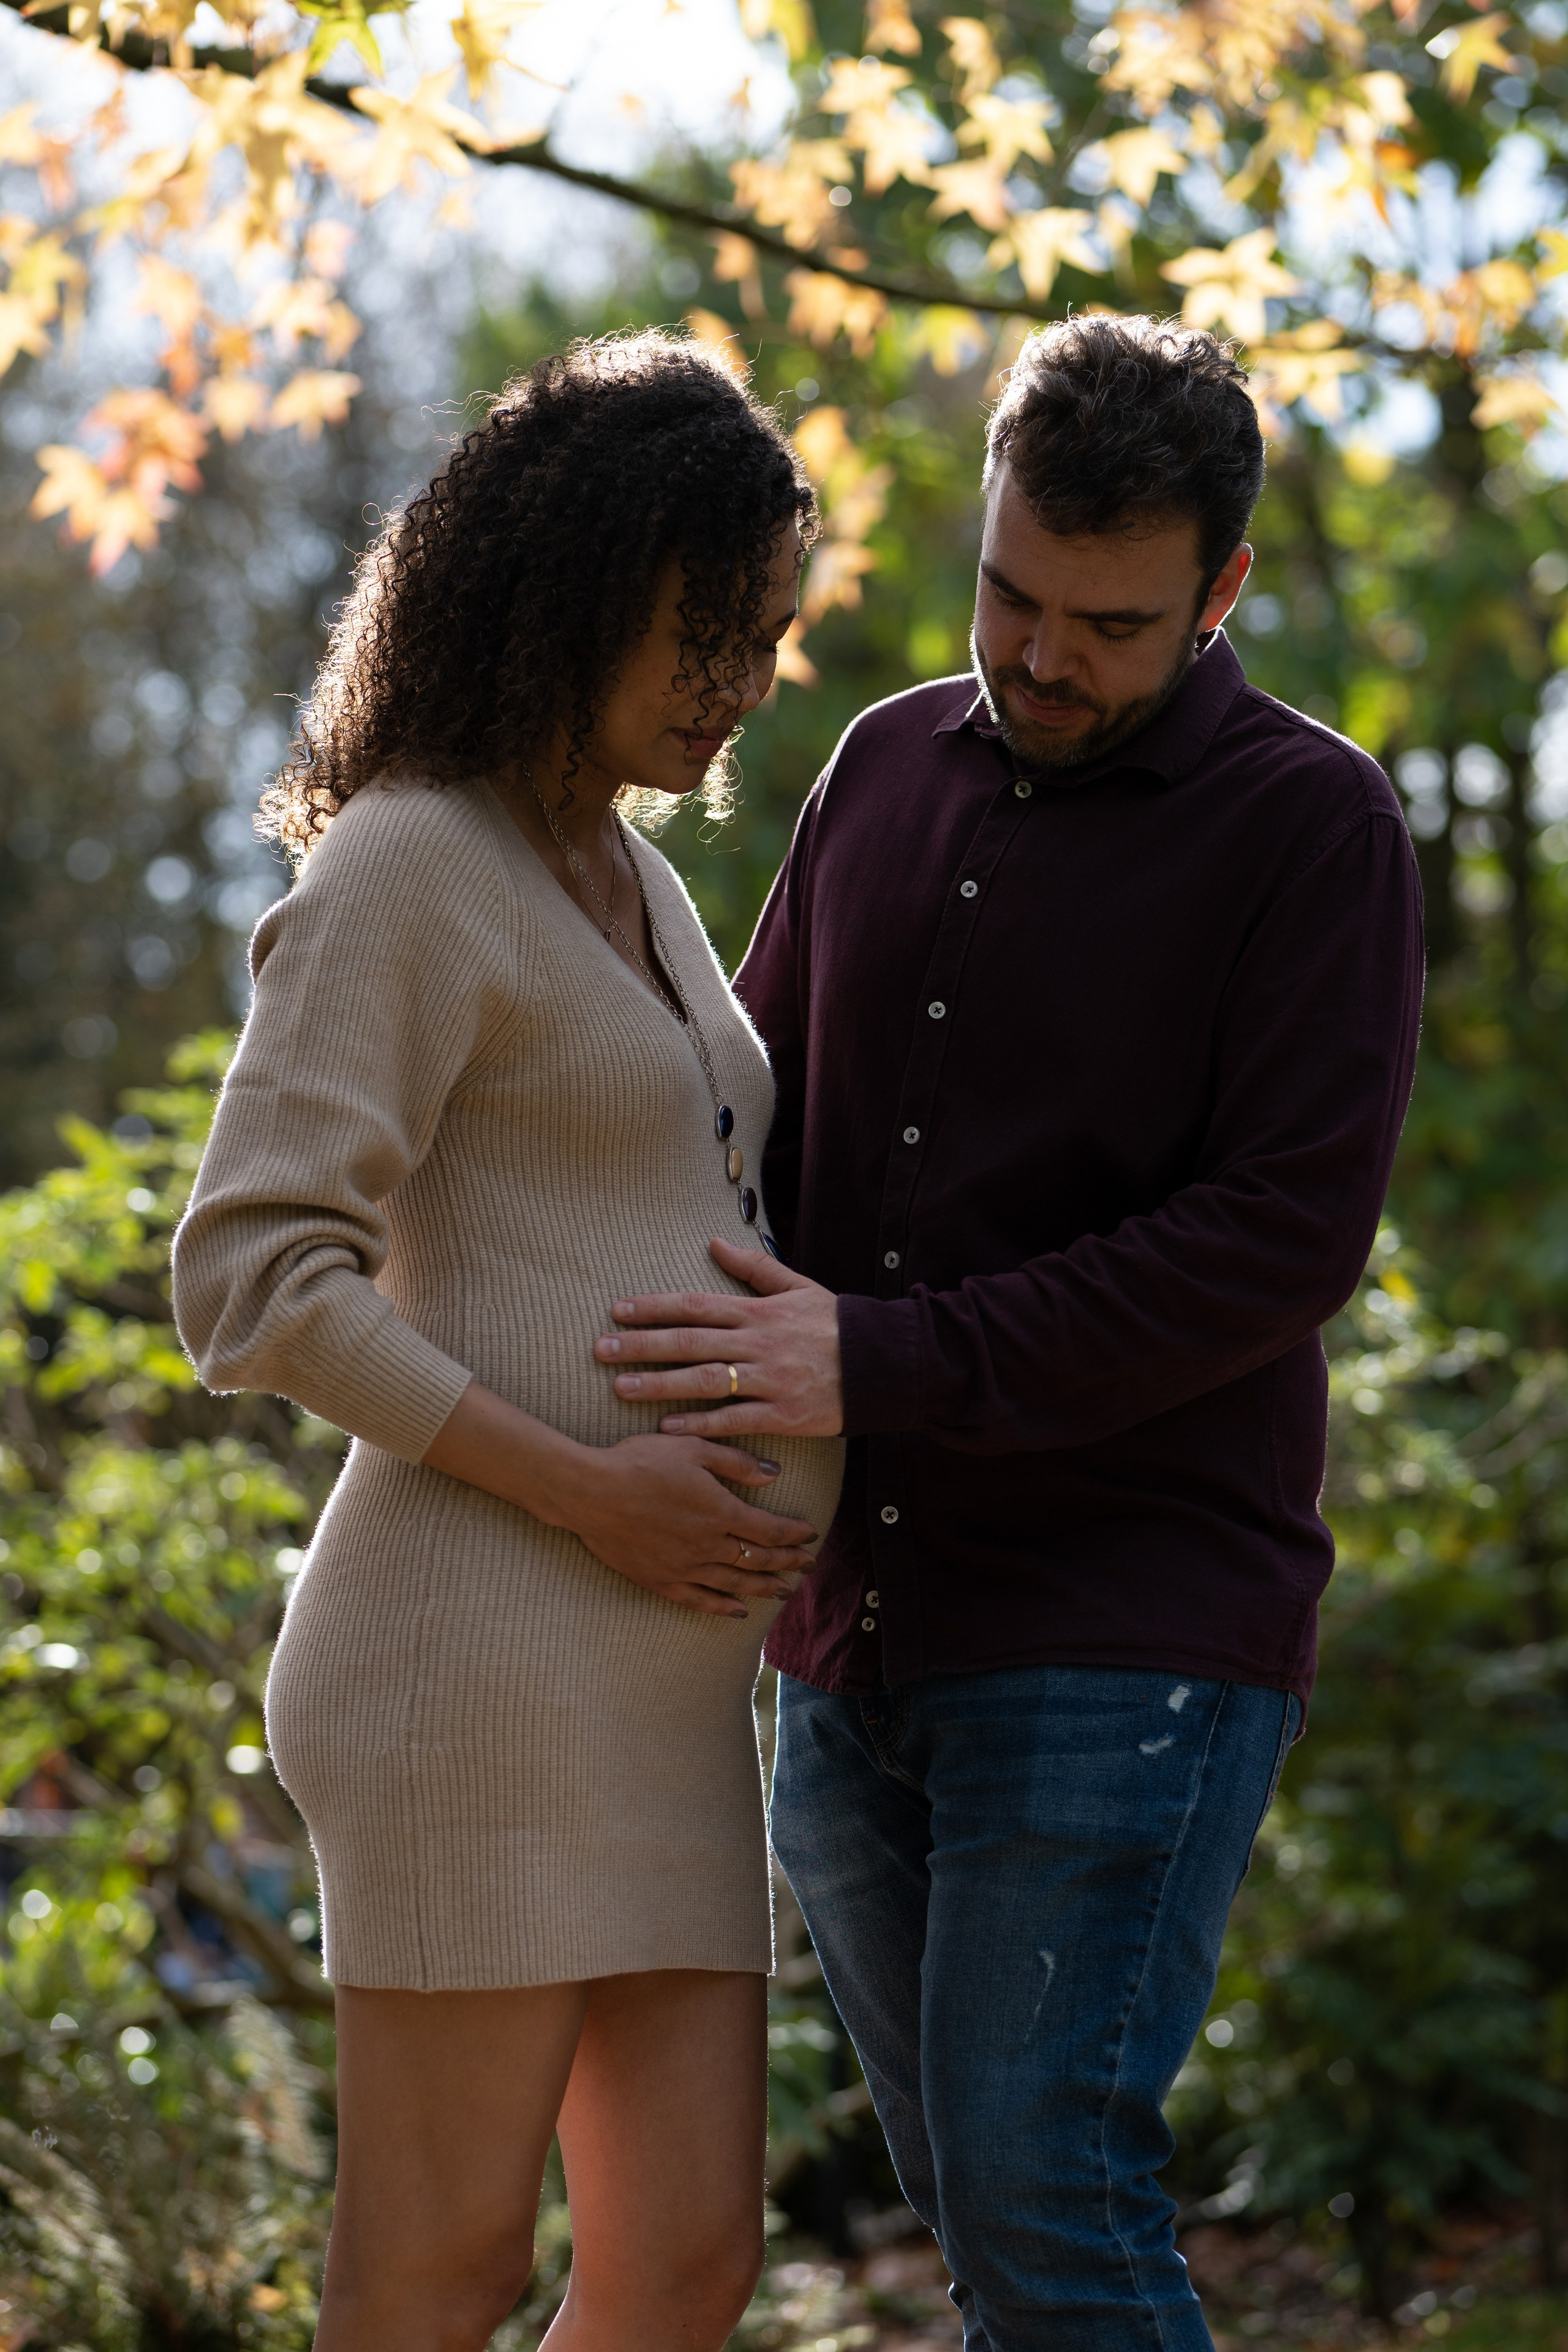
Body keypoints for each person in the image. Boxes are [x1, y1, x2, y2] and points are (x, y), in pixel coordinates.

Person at [592, 316, 1425, 2350]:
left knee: (1050, 2212)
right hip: (851, 1634)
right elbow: (735, 1113)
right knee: (1000, 2235)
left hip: (1129, 1631)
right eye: (1012, 593)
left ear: (1223, 591)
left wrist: (883, 1364)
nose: (1042, 656)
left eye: (1111, 625)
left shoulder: (1315, 831)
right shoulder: (882, 764)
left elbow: (1277, 1240)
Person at [171, 330, 845, 2352]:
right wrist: (597, 1494)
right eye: (704, 630)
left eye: (768, 636)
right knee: (436, 2275)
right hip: (472, 1655)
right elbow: (251, 1275)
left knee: (684, 2267)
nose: (739, 680)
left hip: (650, 1687)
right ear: (565, 592)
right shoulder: (411, 864)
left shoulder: (631, 871)